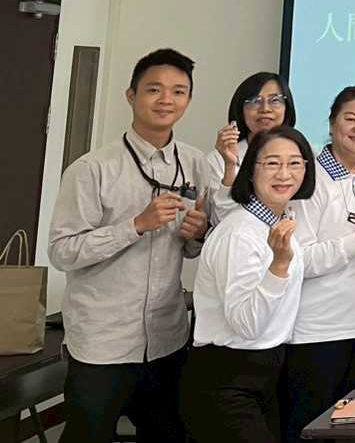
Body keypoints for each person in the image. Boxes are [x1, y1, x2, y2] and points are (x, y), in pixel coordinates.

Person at [49, 48, 210, 443]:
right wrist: (135, 226)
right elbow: (63, 251)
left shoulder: (195, 164)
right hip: (103, 343)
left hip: (167, 338)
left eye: (178, 91)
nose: (166, 100)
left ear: (188, 100)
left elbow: (191, 249)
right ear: (131, 95)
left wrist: (198, 234)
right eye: (154, 89)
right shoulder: (92, 169)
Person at [181, 126, 314, 443]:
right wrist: (278, 266)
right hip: (226, 380)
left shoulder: (277, 221)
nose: (284, 174)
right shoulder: (239, 233)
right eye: (272, 163)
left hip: (265, 374)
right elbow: (246, 324)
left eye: (295, 163)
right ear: (251, 171)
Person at [282, 87, 355, 443]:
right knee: (309, 429)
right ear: (332, 123)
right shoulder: (309, 175)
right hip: (318, 330)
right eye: (351, 119)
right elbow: (298, 258)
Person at [206, 72, 296, 224]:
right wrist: (230, 166)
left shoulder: (302, 155)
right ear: (241, 109)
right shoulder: (218, 159)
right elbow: (220, 221)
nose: (265, 109)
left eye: (275, 100)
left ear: (287, 107)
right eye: (254, 101)